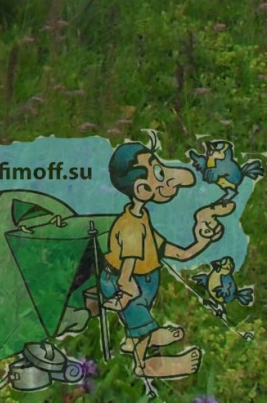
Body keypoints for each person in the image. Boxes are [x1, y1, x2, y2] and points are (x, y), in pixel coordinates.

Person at [98, 141, 228, 381]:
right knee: (139, 322)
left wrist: (202, 241)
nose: (169, 178)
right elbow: (127, 269)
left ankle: (135, 336)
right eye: (158, 172)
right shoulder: (131, 227)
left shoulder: (141, 216)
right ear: (141, 188)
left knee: (138, 319)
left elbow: (173, 251)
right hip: (127, 282)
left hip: (144, 280)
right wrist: (126, 289)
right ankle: (143, 365)